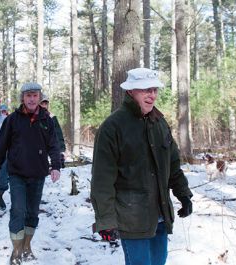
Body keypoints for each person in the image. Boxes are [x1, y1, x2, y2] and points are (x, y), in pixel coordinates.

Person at [90, 68, 193, 265]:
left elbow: (172, 165)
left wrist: (184, 195)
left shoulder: (159, 123)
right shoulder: (112, 127)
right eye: (145, 90)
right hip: (131, 218)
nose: (152, 95)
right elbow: (102, 180)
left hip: (160, 214)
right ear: (131, 91)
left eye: (154, 89)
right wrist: (106, 220)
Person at [0, 82, 61, 265]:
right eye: (28, 95)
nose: (31, 99)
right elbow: (1, 146)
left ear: (39, 98)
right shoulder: (12, 119)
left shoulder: (47, 120)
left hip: (38, 174)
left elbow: (54, 145)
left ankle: (27, 246)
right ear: (22, 98)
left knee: (32, 213)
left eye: (35, 95)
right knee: (18, 210)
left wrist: (55, 166)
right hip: (17, 174)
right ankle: (16, 252)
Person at [39, 94, 66, 168]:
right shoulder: (33, 117)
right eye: (42, 103)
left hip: (49, 147)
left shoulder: (52, 117)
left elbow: (58, 134)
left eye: (45, 103)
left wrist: (61, 150)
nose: (44, 106)